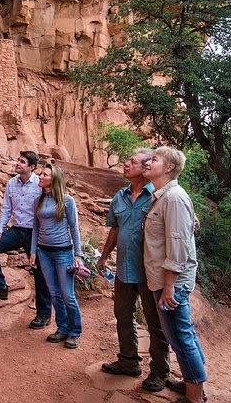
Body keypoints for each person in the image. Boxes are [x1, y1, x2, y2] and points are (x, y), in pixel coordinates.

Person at [97, 149, 171, 392]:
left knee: (155, 323)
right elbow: (115, 229)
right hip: (123, 269)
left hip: (150, 273)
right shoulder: (120, 196)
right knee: (123, 315)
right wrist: (105, 255)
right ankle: (128, 361)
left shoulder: (159, 196)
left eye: (132, 162)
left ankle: (160, 372)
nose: (126, 164)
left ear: (145, 167)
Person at [142, 146, 206, 403]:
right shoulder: (163, 197)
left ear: (168, 168)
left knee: (180, 336)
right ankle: (194, 385)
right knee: (182, 333)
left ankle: (194, 398)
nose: (148, 162)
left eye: (154, 159)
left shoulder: (174, 198)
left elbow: (177, 247)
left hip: (172, 281)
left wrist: (169, 285)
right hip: (164, 278)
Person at [0, 151, 52, 330]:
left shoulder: (39, 184)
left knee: (39, 272)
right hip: (16, 230)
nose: (17, 163)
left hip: (35, 233)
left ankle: (44, 314)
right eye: (18, 160)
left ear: (32, 167)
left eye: (22, 162)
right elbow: (6, 209)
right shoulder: (12, 183)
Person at [29, 164, 84, 349]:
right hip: (43, 251)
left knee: (67, 294)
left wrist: (78, 254)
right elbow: (36, 228)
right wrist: (33, 251)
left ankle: (75, 332)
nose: (40, 176)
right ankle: (62, 328)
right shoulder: (38, 201)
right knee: (54, 293)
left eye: (44, 174)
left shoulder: (67, 201)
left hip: (63, 251)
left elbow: (74, 227)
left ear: (54, 179)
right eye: (41, 173)